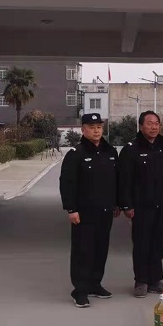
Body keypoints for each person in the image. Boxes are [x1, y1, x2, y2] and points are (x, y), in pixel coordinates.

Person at [59, 113, 119, 308]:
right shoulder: (76, 154)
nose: (96, 131)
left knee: (100, 249)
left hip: (105, 210)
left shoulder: (110, 152)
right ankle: (80, 290)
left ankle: (95, 284)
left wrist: (116, 203)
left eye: (99, 127)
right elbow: (67, 183)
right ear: (83, 129)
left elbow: (116, 180)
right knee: (83, 251)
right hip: (84, 213)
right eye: (92, 127)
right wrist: (71, 209)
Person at [118, 111, 163, 298]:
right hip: (141, 207)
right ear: (141, 126)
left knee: (158, 243)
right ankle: (141, 281)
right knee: (142, 243)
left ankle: (155, 280)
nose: (154, 127)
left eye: (156, 123)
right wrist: (126, 205)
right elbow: (124, 180)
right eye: (149, 123)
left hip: (162, 205)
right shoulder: (131, 149)